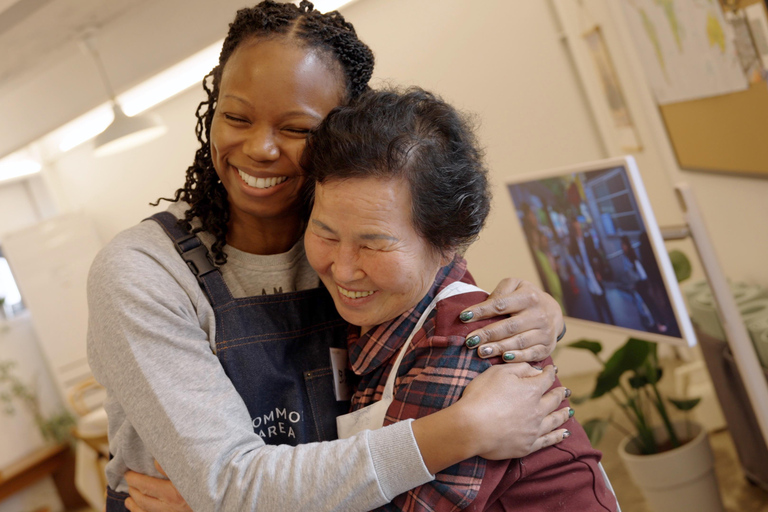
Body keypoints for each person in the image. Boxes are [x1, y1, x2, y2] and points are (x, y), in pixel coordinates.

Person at [87, 2, 569, 511]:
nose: (261, 148)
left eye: (297, 129)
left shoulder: (342, 242)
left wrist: (542, 317)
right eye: (235, 116)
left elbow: (447, 310)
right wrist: (463, 430)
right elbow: (227, 487)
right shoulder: (144, 273)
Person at [297, 87, 618, 511]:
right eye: (326, 234)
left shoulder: (464, 345)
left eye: (373, 245)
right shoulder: (382, 313)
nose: (342, 268)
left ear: (447, 241)